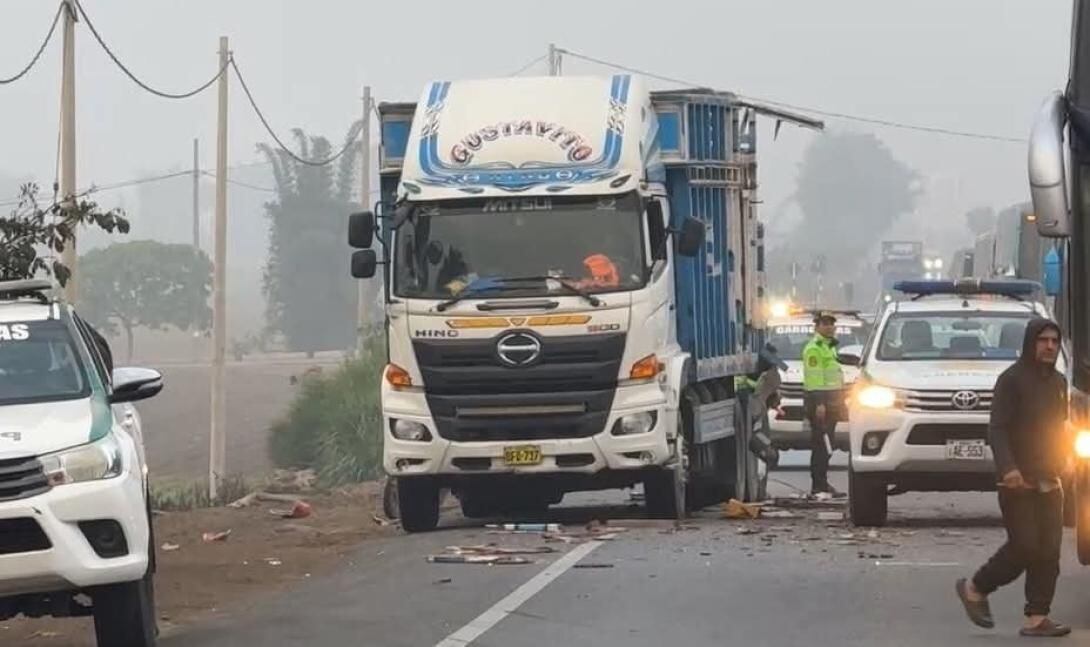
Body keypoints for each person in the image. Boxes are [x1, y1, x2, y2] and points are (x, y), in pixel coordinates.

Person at [956, 319, 1071, 638]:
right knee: (1025, 546)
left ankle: (1037, 617)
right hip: (1017, 481)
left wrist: (1065, 462)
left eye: (1054, 340)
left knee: (1049, 551)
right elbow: (997, 428)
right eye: (1043, 340)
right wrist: (1009, 468)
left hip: (1051, 480)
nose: (1049, 346)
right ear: (1030, 343)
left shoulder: (1059, 382)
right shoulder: (1011, 380)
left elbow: (1059, 428)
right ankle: (975, 587)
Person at [802, 312, 845, 497]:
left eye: (831, 323)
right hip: (821, 403)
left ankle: (822, 483)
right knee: (821, 445)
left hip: (832, 402)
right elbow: (815, 379)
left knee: (828, 444)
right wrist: (820, 404)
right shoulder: (815, 348)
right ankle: (818, 485)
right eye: (825, 323)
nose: (829, 327)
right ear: (817, 326)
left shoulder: (829, 347)